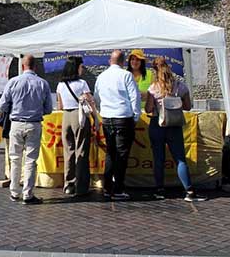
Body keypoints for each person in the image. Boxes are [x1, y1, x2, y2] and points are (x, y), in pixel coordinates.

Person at [145, 57, 207, 202]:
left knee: (158, 158)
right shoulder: (181, 86)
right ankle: (189, 191)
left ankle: (159, 190)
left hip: (157, 124)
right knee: (180, 159)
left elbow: (148, 109)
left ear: (155, 71)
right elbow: (188, 107)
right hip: (174, 125)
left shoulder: (153, 88)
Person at [0, 54, 53, 205]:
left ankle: (14, 192)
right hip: (34, 124)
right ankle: (28, 194)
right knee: (30, 160)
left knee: (15, 158)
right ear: (35, 66)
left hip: (16, 123)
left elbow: (3, 104)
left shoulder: (13, 82)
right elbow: (48, 109)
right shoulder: (43, 83)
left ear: (23, 66)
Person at [94, 50, 140, 200]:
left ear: (110, 61)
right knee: (122, 154)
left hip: (107, 117)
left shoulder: (101, 76)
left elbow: (96, 98)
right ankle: (118, 188)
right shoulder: (126, 75)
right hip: (123, 117)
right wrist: (135, 116)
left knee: (111, 153)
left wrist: (102, 110)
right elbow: (135, 97)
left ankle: (108, 187)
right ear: (123, 61)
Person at [56, 56, 95, 196]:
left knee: (69, 151)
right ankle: (82, 186)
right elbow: (90, 102)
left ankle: (69, 184)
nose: (82, 69)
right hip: (79, 116)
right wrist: (95, 119)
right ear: (76, 67)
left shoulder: (61, 85)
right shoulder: (82, 83)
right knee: (81, 150)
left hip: (66, 117)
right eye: (81, 66)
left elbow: (60, 105)